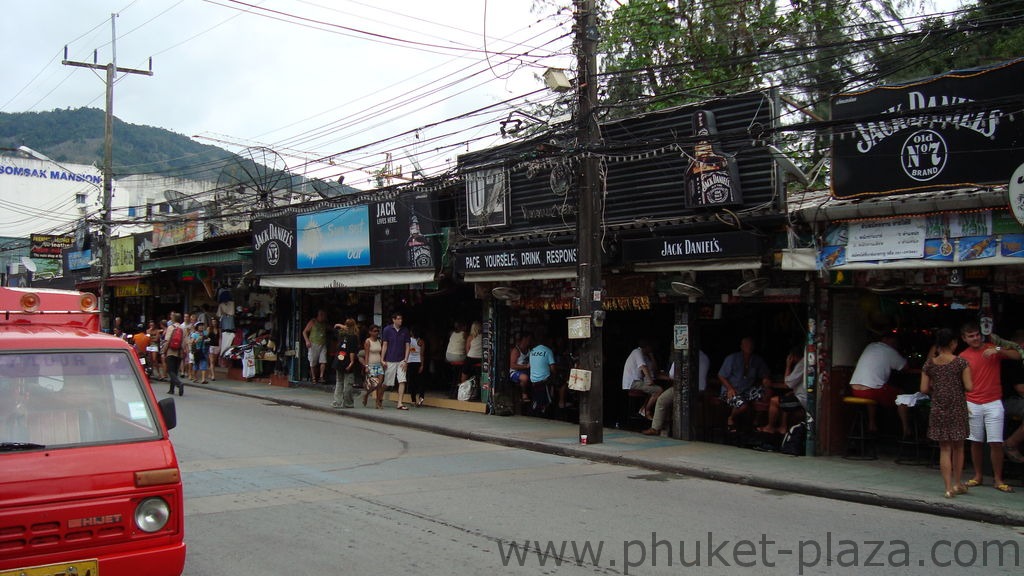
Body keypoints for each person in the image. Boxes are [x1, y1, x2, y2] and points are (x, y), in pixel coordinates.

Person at [960, 321, 1020, 493]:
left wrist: (999, 349)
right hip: (972, 402)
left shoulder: (992, 348)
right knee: (975, 442)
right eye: (971, 336)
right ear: (964, 339)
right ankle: (978, 476)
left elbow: (1018, 355)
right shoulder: (963, 357)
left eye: (977, 334)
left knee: (995, 442)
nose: (975, 338)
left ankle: (998, 479)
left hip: (993, 401)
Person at [920, 328, 972, 499]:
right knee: (959, 446)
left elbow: (923, 388)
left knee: (944, 448)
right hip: (957, 407)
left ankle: (947, 488)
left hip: (939, 408)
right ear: (953, 343)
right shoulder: (961, 363)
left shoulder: (929, 364)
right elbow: (969, 387)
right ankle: (958, 483)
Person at [849, 332, 912, 437]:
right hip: (871, 391)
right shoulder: (890, 351)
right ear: (887, 340)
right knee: (902, 396)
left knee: (873, 390)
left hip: (855, 390)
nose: (895, 344)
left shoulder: (870, 346)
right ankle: (906, 430)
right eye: (894, 341)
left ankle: (872, 424)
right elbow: (905, 367)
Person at [643, 350, 709, 436]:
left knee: (662, 400)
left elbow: (672, 375)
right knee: (669, 399)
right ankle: (665, 430)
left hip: (685, 389)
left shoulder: (682, 355)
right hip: (700, 391)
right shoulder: (705, 357)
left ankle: (656, 428)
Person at [717, 336, 771, 432]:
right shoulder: (732, 358)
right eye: (746, 345)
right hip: (730, 391)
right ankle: (731, 418)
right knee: (742, 405)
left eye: (750, 345)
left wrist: (765, 380)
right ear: (741, 346)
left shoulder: (757, 360)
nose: (749, 347)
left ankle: (756, 422)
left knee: (765, 395)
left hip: (746, 390)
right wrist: (730, 388)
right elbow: (721, 375)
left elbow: (765, 374)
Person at [757, 346, 808, 435]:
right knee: (786, 397)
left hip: (802, 400)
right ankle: (783, 427)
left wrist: (788, 365)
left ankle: (770, 427)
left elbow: (788, 383)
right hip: (801, 396)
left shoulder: (802, 363)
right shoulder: (803, 363)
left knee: (774, 401)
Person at [622, 340, 661, 419]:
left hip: (638, 381)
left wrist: (652, 356)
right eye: (651, 347)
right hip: (633, 382)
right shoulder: (637, 352)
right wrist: (649, 379)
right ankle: (646, 411)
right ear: (647, 346)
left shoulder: (645, 356)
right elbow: (643, 366)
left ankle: (643, 409)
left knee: (654, 388)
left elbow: (654, 370)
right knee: (658, 390)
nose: (652, 349)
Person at [381, 312, 412, 410]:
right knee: (387, 382)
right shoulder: (387, 330)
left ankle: (399, 403)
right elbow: (385, 344)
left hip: (401, 359)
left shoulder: (405, 330)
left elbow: (407, 346)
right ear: (393, 320)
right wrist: (382, 359)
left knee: (402, 380)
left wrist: (406, 360)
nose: (400, 321)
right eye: (398, 319)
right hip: (390, 359)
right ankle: (379, 397)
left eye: (401, 319)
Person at [332, 318, 361, 409]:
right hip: (348, 361)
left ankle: (337, 402)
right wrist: (351, 363)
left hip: (339, 361)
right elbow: (352, 351)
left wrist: (341, 326)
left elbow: (335, 327)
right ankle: (348, 402)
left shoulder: (341, 334)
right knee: (348, 384)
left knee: (339, 382)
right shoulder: (354, 337)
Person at [529, 335, 558, 415]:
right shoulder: (548, 351)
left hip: (533, 380)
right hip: (544, 381)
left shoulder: (532, 351)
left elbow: (532, 365)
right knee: (558, 382)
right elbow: (553, 369)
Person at [303, 309, 329, 384]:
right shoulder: (313, 322)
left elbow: (329, 328)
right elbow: (304, 332)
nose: (324, 317)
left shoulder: (324, 323)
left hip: (322, 344)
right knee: (313, 361)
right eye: (323, 316)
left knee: (323, 360)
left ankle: (321, 377)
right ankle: (313, 377)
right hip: (313, 344)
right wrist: (307, 341)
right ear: (320, 315)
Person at [162, 312, 185, 396]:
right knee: (175, 371)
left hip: (170, 351)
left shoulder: (170, 327)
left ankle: (179, 384)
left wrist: (164, 351)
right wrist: (183, 352)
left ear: (174, 319)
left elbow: (167, 340)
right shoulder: (183, 328)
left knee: (170, 371)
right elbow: (184, 342)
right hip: (179, 352)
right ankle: (171, 389)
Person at [362, 324, 384, 409]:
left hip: (379, 364)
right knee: (374, 384)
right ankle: (366, 395)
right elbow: (366, 355)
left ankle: (378, 402)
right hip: (371, 364)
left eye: (377, 331)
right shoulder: (368, 341)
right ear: (370, 332)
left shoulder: (379, 341)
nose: (376, 333)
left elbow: (381, 352)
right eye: (374, 331)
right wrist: (366, 366)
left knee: (380, 384)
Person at [406, 326, 427, 407]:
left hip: (410, 362)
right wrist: (422, 365)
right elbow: (422, 354)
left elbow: (407, 351)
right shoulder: (421, 341)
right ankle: (421, 398)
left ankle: (413, 400)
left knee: (412, 382)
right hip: (418, 362)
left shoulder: (408, 340)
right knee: (420, 381)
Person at [509, 333, 533, 402]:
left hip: (526, 371)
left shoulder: (529, 350)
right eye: (528, 339)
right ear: (524, 339)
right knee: (525, 378)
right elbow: (512, 365)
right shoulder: (516, 350)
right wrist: (525, 366)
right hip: (514, 372)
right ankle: (524, 394)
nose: (530, 341)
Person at [445, 321, 467, 387]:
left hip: (448, 356)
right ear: (463, 326)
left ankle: (454, 384)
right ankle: (461, 383)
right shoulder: (464, 334)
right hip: (458, 357)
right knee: (469, 360)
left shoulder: (452, 333)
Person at [207, 317, 221, 381]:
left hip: (217, 346)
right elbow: (206, 337)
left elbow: (220, 338)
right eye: (213, 322)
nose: (214, 323)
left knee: (213, 362)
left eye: (215, 322)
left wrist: (220, 347)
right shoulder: (209, 329)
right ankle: (213, 376)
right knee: (212, 361)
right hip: (211, 346)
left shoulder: (219, 330)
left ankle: (210, 374)